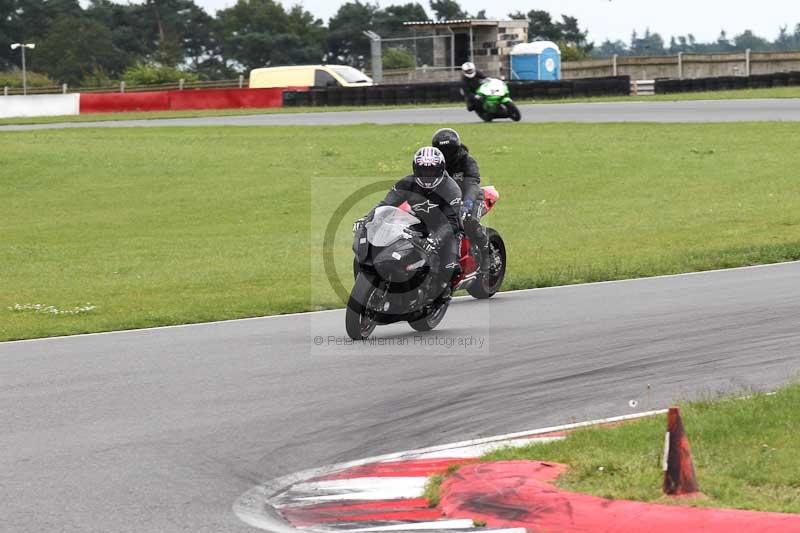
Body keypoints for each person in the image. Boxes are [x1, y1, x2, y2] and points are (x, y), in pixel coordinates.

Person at [367, 147, 462, 301]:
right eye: (423, 171)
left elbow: (452, 221)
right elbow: (385, 205)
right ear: (415, 169)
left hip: (446, 230)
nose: (427, 175)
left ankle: (441, 296)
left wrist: (436, 239)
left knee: (450, 269)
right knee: (390, 247)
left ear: (441, 170)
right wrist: (368, 220)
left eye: (432, 171)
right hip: (418, 223)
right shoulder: (407, 183)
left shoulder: (451, 189)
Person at [431, 128, 490, 271]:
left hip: (471, 198)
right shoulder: (435, 163)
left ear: (456, 149)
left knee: (468, 221)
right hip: (448, 201)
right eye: (441, 151)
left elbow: (472, 184)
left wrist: (467, 203)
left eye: (449, 151)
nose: (446, 155)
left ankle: (486, 254)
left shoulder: (467, 161)